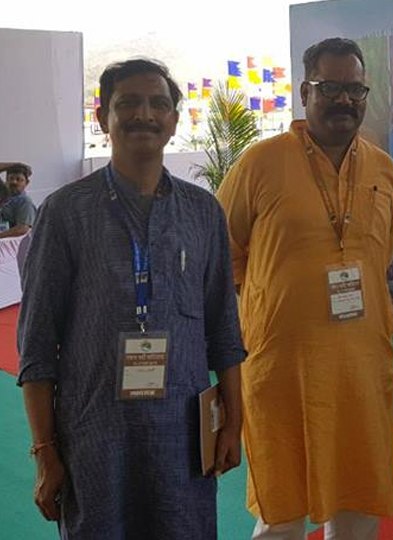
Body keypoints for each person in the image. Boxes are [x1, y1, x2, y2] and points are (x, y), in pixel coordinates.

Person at [17, 58, 245, 539]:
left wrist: (233, 424)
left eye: (159, 104)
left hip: (183, 437)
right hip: (93, 435)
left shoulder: (203, 212)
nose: (145, 114)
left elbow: (224, 328)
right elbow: (36, 345)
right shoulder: (65, 213)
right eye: (129, 103)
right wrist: (45, 452)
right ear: (103, 117)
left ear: (174, 120)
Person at [216, 37, 393, 540]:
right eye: (330, 87)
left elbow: (380, 254)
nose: (344, 100)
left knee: (359, 497)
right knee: (281, 506)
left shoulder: (383, 169)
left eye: (355, 90)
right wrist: (271, 300)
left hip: (361, 364)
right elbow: (222, 251)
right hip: (283, 367)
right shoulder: (260, 163)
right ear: (304, 92)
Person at [0, 162, 37, 238]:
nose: (14, 182)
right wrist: (15, 164)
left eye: (19, 179)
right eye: (11, 178)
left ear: (26, 183)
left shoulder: (24, 201)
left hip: (10, 242)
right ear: (6, 180)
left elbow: (22, 229)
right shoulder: (4, 193)